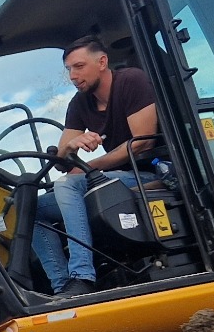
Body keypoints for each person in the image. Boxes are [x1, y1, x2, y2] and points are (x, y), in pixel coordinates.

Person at [30, 36, 160, 296]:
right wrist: (71, 146)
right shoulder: (80, 103)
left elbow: (142, 143)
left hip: (153, 173)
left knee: (69, 186)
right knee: (29, 209)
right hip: (114, 177)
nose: (73, 76)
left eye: (79, 66)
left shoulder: (131, 81)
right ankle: (63, 288)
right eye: (69, 69)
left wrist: (91, 167)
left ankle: (82, 276)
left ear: (102, 62)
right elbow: (62, 164)